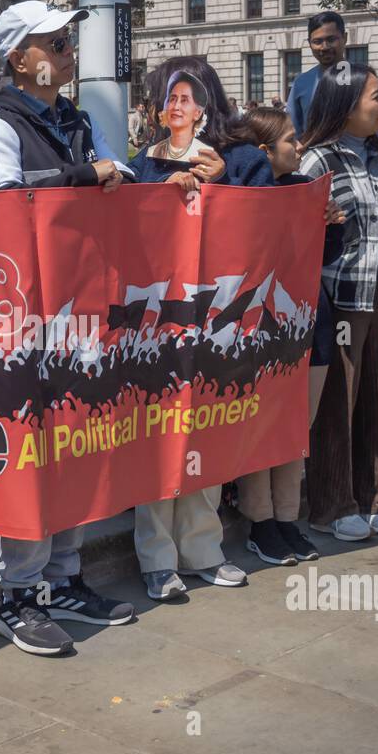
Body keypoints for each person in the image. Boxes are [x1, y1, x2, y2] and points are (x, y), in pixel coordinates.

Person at [0, 0, 136, 653]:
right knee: (31, 452)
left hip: (78, 311)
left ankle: (64, 577)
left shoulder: (76, 119)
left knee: (73, 445)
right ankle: (19, 593)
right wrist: (82, 175)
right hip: (22, 323)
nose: (69, 52)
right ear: (21, 59)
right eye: (56, 43)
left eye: (68, 41)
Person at [126, 59, 267, 598]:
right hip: (161, 324)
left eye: (188, 96)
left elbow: (266, 225)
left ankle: (204, 550)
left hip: (222, 319)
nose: (177, 106)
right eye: (169, 96)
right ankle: (157, 557)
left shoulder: (243, 159)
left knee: (205, 430)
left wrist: (222, 184)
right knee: (157, 439)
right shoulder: (145, 165)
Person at [234, 106, 345, 565]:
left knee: (298, 426)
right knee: (262, 427)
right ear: (264, 153)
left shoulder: (305, 190)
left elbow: (327, 256)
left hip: (310, 322)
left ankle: (286, 518)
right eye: (291, 141)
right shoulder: (241, 197)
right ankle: (260, 521)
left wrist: (333, 223)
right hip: (264, 329)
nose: (300, 147)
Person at [298, 63, 378, 542]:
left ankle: (374, 496)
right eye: (376, 97)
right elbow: (299, 234)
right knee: (338, 403)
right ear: (344, 105)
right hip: (338, 299)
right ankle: (332, 504)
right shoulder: (316, 161)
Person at [288, 11, 378, 157]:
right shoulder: (301, 84)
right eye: (317, 41)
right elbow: (292, 131)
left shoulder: (363, 79)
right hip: (317, 167)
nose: (324, 47)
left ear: (344, 38)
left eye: (331, 39)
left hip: (361, 164)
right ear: (309, 44)